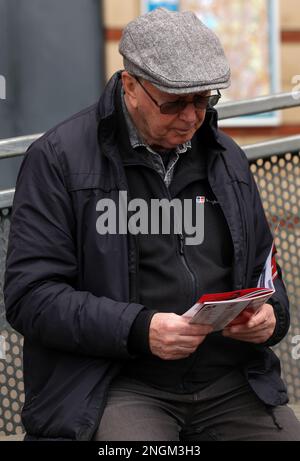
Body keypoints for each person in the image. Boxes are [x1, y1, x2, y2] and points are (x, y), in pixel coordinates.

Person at [4, 8, 300, 441]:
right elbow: (31, 297)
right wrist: (140, 330)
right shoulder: (58, 159)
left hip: (229, 380)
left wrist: (271, 317)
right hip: (113, 382)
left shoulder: (227, 159)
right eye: (174, 102)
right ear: (130, 86)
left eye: (203, 100)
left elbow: (266, 274)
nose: (190, 118)